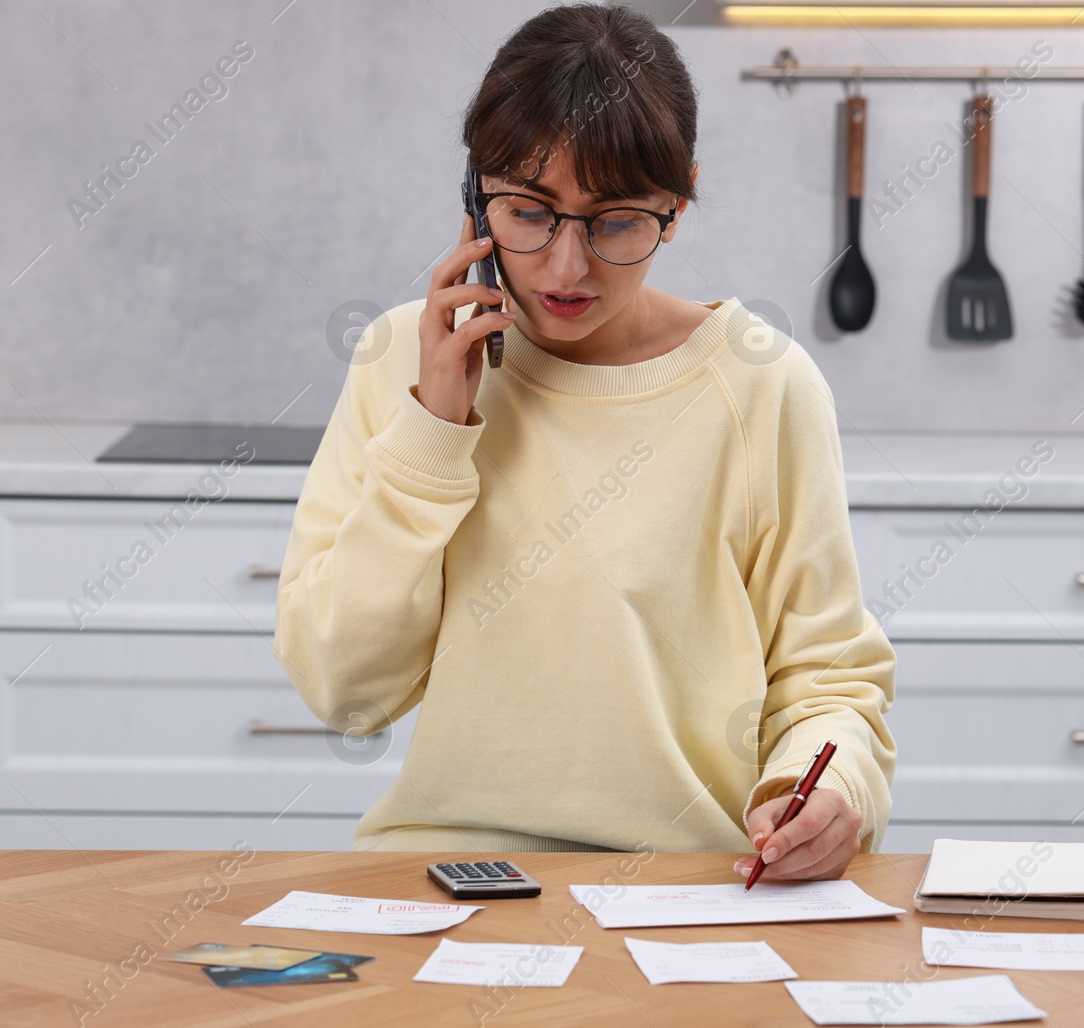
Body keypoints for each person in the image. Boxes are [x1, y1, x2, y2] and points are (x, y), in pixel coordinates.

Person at [274, 3, 895, 882]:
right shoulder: (400, 361)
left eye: (615, 221)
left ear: (676, 204)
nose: (567, 268)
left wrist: (825, 788)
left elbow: (831, 681)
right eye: (529, 213)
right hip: (448, 879)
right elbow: (345, 694)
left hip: (688, 886)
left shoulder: (763, 383)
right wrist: (434, 430)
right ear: (474, 196)